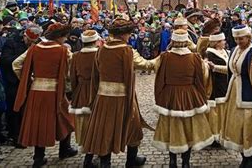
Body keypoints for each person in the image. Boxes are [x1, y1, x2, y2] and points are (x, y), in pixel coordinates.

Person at [81, 19, 151, 168]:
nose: (129, 36)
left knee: (104, 128)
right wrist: (164, 58)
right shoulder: (127, 51)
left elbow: (96, 74)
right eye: (128, 33)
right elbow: (146, 64)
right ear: (123, 34)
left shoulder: (102, 49)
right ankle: (131, 161)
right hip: (123, 97)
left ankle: (105, 162)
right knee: (133, 126)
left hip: (103, 98)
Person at [13, 23, 77, 167]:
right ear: (59, 36)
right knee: (66, 119)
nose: (65, 39)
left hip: (36, 92)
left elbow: (17, 64)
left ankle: (38, 157)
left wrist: (28, 80)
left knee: (38, 123)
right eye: (64, 37)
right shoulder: (64, 51)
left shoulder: (34, 48)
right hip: (56, 92)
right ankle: (64, 149)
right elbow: (70, 71)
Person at [152, 29, 213, 168]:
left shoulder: (165, 57)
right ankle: (186, 162)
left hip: (170, 95)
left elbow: (159, 78)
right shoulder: (195, 58)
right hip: (189, 95)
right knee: (188, 128)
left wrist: (160, 95)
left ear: (173, 41)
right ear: (186, 41)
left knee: (171, 127)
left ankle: (172, 161)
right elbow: (201, 78)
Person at [220, 25, 252, 168]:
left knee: (248, 126)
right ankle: (244, 155)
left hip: (249, 94)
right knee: (237, 127)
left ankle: (250, 157)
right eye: (236, 38)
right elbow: (231, 69)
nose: (238, 41)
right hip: (233, 93)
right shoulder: (234, 50)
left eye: (241, 38)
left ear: (248, 37)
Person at [0, 26, 42, 147]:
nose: (31, 44)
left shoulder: (38, 43)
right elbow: (5, 60)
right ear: (24, 36)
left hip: (29, 81)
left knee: (27, 109)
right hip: (13, 81)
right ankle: (16, 136)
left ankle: (27, 133)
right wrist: (25, 58)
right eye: (30, 41)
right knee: (15, 110)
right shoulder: (11, 42)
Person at [69, 29, 99, 168]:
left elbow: (73, 77)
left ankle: (88, 154)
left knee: (85, 124)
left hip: (81, 91)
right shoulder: (100, 54)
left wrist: (75, 93)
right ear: (95, 41)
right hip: (96, 91)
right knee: (97, 124)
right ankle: (93, 154)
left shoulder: (76, 56)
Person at [205, 32, 229, 144]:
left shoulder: (224, 51)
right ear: (217, 42)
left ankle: (221, 133)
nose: (224, 42)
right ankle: (214, 136)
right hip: (215, 85)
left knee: (222, 111)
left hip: (225, 84)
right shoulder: (210, 54)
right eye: (222, 41)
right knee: (215, 112)